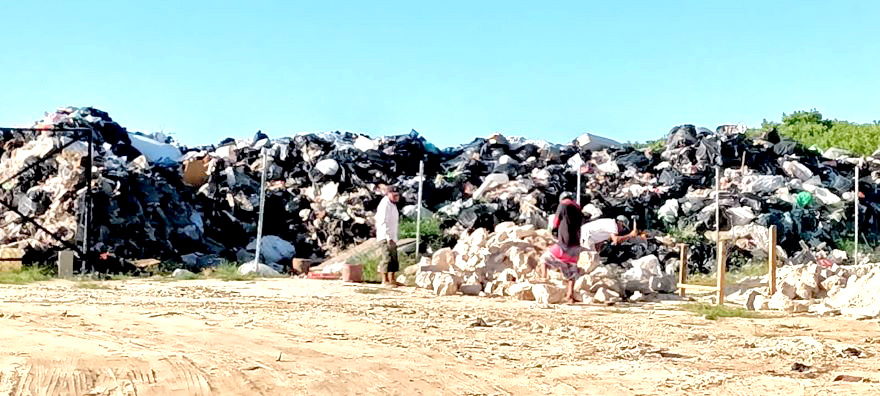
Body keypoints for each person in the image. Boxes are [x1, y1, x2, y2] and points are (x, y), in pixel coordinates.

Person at [537, 192, 583, 303]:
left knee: (544, 259)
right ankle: (570, 296)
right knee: (571, 270)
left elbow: (556, 222)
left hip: (564, 244)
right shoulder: (578, 209)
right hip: (576, 245)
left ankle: (544, 278)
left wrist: (553, 229)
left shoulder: (563, 204)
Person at [375, 185, 402, 286]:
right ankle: (384, 280)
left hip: (392, 236)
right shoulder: (384, 204)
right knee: (387, 258)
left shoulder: (393, 205)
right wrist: (388, 237)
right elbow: (383, 222)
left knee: (394, 258)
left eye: (397, 195)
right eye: (394, 195)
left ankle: (392, 279)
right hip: (385, 236)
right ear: (388, 194)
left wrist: (393, 237)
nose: (396, 197)